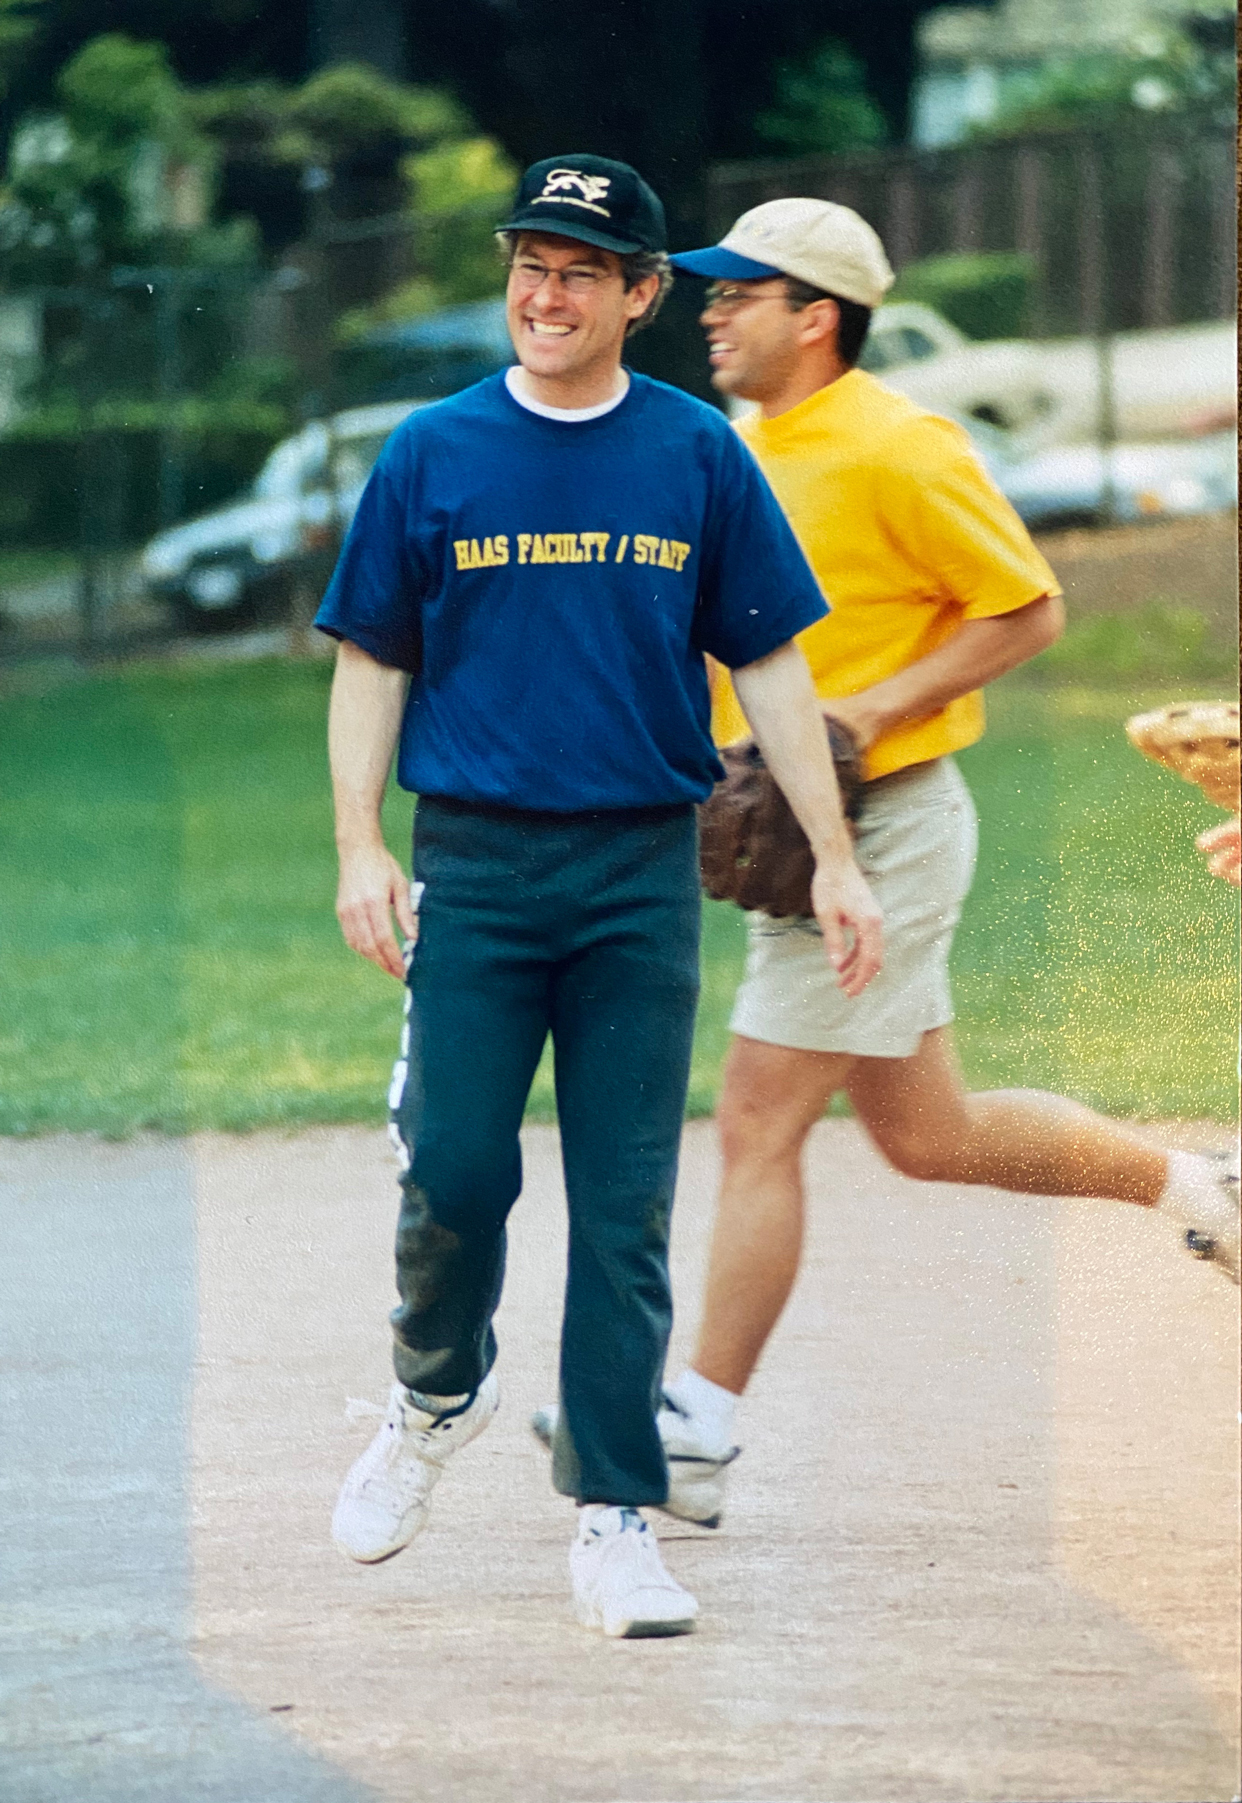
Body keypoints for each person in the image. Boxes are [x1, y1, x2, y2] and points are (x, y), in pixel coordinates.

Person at [534, 197, 1239, 1528]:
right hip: (791, 837)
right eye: (712, 288)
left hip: (886, 825)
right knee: (929, 1136)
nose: (711, 308)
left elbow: (1025, 609)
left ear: (816, 316)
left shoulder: (895, 445)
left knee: (755, 1118)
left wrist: (863, 716)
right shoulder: (735, 450)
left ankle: (696, 1427)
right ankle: (1198, 1191)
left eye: (741, 291)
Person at [315, 158, 882, 1638]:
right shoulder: (432, 452)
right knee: (455, 1172)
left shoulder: (695, 455)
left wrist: (829, 854)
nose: (541, 292)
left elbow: (768, 661)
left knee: (623, 1209)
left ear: (642, 292)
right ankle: (432, 1396)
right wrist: (358, 846)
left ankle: (615, 1517)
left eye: (578, 269)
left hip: (638, 869)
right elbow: (371, 658)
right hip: (477, 865)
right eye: (526, 262)